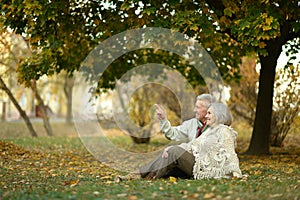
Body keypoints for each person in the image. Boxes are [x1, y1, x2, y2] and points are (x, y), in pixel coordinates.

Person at [115, 102, 242, 181]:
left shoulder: (224, 130)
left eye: (209, 113)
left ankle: (150, 176)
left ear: (218, 115)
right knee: (170, 161)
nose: (206, 115)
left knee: (174, 152)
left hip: (203, 168)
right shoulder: (208, 131)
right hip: (197, 165)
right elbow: (191, 145)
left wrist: (235, 173)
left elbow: (230, 153)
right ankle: (138, 174)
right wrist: (164, 122)